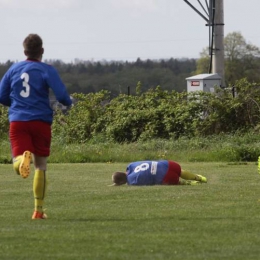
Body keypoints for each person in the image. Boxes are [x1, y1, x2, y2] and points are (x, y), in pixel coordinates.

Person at [0, 34, 72, 219]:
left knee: (18, 157)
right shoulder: (46, 70)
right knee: (40, 166)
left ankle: (20, 161)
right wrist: (68, 103)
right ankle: (38, 211)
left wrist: (16, 104)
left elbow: (1, 95)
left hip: (18, 121)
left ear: (24, 51)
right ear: (42, 51)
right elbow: (62, 96)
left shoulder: (14, 69)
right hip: (40, 121)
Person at [111, 160, 207, 186]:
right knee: (180, 171)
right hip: (167, 163)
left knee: (176, 182)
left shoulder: (132, 182)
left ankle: (190, 183)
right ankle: (198, 177)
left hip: (167, 176)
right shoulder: (131, 165)